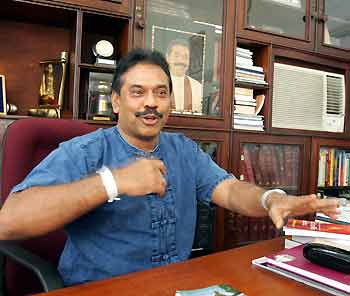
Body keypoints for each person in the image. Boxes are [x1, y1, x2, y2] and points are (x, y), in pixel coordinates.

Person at [0, 48, 340, 287]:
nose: (151, 102)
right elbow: (8, 222)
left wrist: (272, 199)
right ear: (116, 100)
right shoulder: (85, 152)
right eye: (138, 92)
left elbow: (230, 190)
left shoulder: (183, 150)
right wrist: (112, 182)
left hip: (175, 286)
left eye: (161, 93)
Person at [165, 39, 203, 113]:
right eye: (176, 56)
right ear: (167, 57)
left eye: (185, 57)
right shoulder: (158, 82)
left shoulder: (197, 87)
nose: (181, 61)